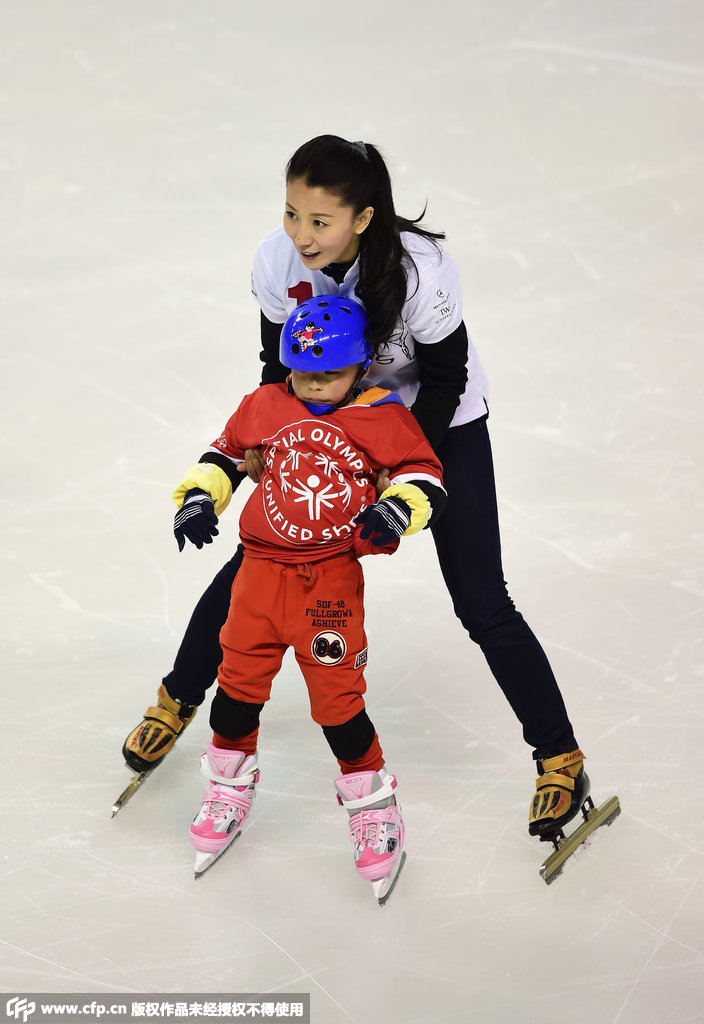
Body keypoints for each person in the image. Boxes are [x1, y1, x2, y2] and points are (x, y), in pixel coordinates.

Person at [123, 134, 589, 845]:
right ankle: (179, 696)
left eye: (320, 221)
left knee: (482, 600)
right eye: (290, 214)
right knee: (257, 563)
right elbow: (273, 367)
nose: (300, 235)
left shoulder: (421, 269)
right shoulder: (279, 261)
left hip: (434, 428)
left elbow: (444, 379)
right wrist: (265, 445)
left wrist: (390, 463)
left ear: (363, 219)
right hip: (320, 425)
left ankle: (560, 756)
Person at [172, 294, 445, 900]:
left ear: (362, 367)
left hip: (328, 583)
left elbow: (422, 473)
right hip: (259, 577)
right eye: (304, 372)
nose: (315, 385)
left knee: (337, 701)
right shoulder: (267, 404)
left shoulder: (382, 416)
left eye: (331, 374)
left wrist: (397, 510)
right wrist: (199, 495)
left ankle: (373, 806)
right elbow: (220, 453)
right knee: (237, 686)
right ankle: (226, 787)